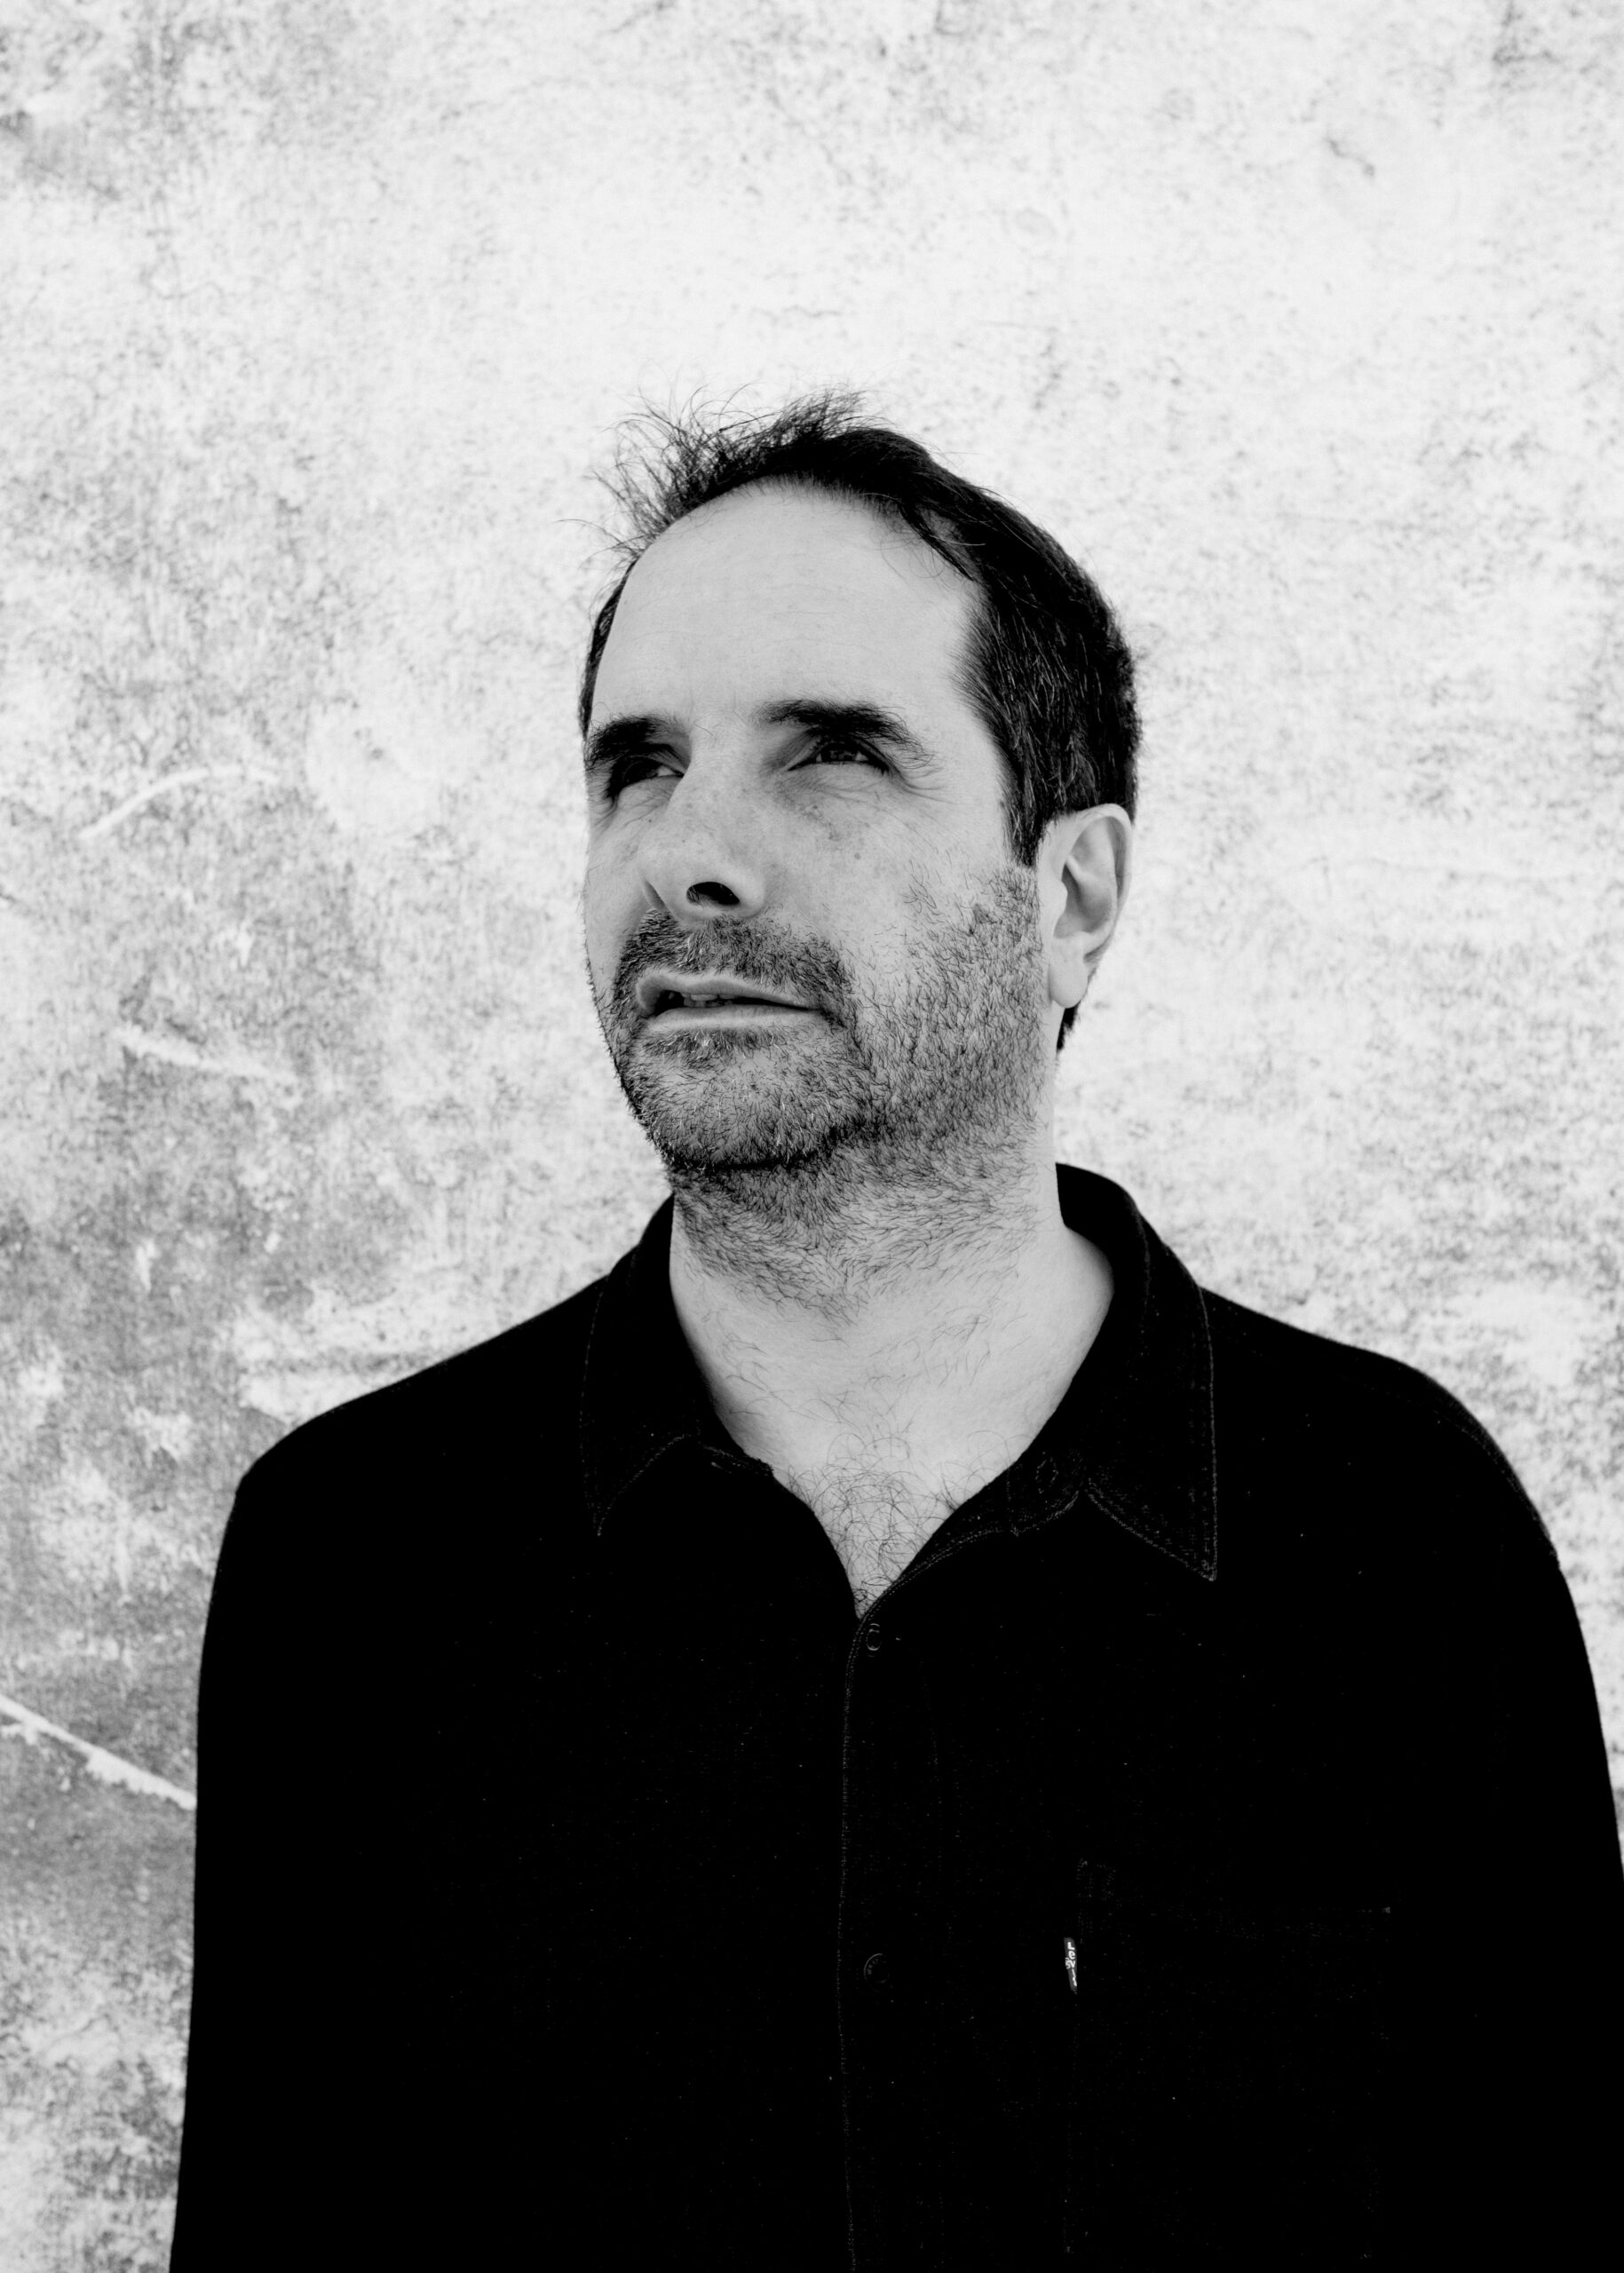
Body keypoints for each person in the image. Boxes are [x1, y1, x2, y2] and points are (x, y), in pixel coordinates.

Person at [170, 394, 1623, 2269]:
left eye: (833, 755)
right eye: (637, 766)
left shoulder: (1394, 1530)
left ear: (1071, 895)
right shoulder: (362, 1556)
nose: (690, 855)